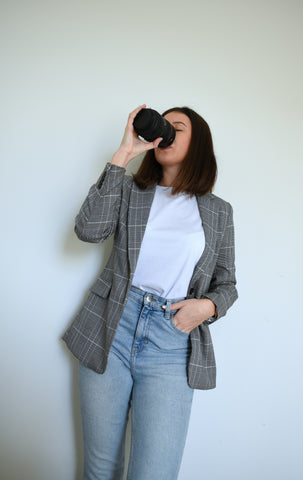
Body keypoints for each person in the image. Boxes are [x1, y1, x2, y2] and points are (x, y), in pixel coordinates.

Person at [62, 104, 238, 480]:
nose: (166, 133)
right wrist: (123, 155)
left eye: (177, 127)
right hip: (113, 325)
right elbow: (88, 231)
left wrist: (204, 308)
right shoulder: (130, 189)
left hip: (172, 342)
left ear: (199, 144)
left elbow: (227, 284)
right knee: (101, 469)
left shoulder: (219, 212)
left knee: (155, 473)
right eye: (163, 127)